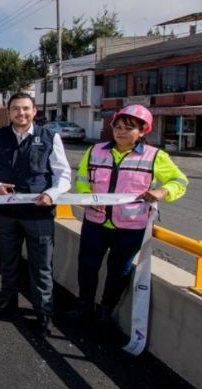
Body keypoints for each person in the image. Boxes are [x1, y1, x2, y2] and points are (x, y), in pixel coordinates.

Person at [67, 104, 187, 324]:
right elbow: (82, 179)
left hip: (131, 227)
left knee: (119, 271)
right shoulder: (95, 150)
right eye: (118, 126)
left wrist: (162, 191)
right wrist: (89, 198)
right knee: (87, 265)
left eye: (128, 128)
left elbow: (179, 181)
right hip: (95, 223)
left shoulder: (155, 156)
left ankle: (106, 309)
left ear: (142, 131)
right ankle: (84, 304)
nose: (121, 131)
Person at [0, 92, 72, 337]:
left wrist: (52, 194)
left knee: (41, 266)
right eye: (15, 109)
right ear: (8, 112)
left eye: (25, 109)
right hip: (5, 211)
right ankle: (7, 300)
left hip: (38, 214)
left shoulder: (49, 137)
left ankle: (44, 312)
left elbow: (63, 175)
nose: (21, 113)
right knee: (8, 260)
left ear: (34, 111)